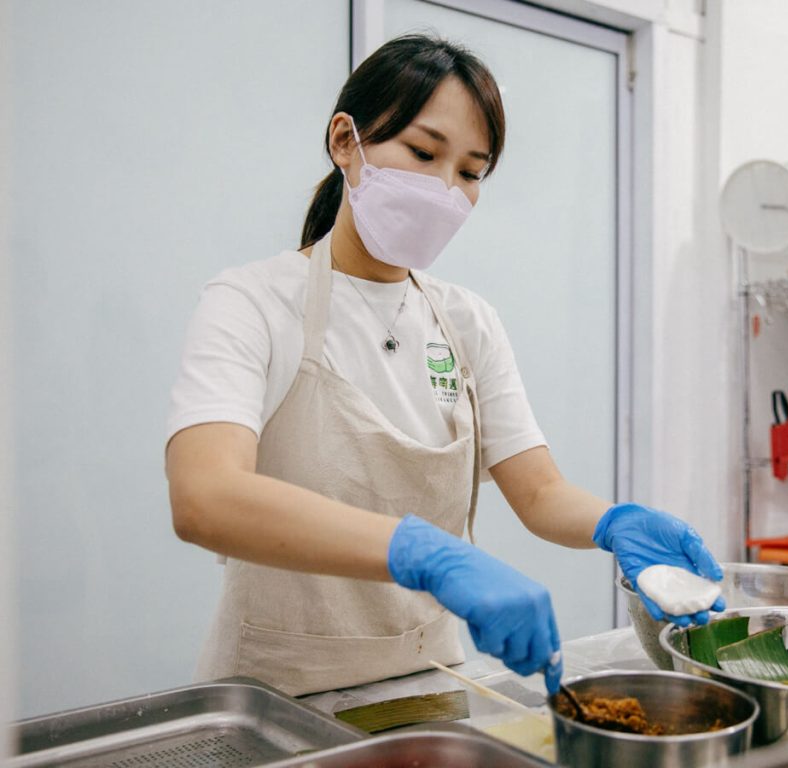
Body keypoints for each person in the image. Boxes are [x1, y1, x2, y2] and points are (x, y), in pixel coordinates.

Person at [165, 34, 723, 699]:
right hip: (275, 694)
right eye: (424, 154)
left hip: (427, 685)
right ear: (347, 141)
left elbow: (539, 493)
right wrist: (424, 554)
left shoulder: (467, 321)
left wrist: (615, 523)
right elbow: (205, 498)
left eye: (470, 171)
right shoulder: (252, 301)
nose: (444, 189)